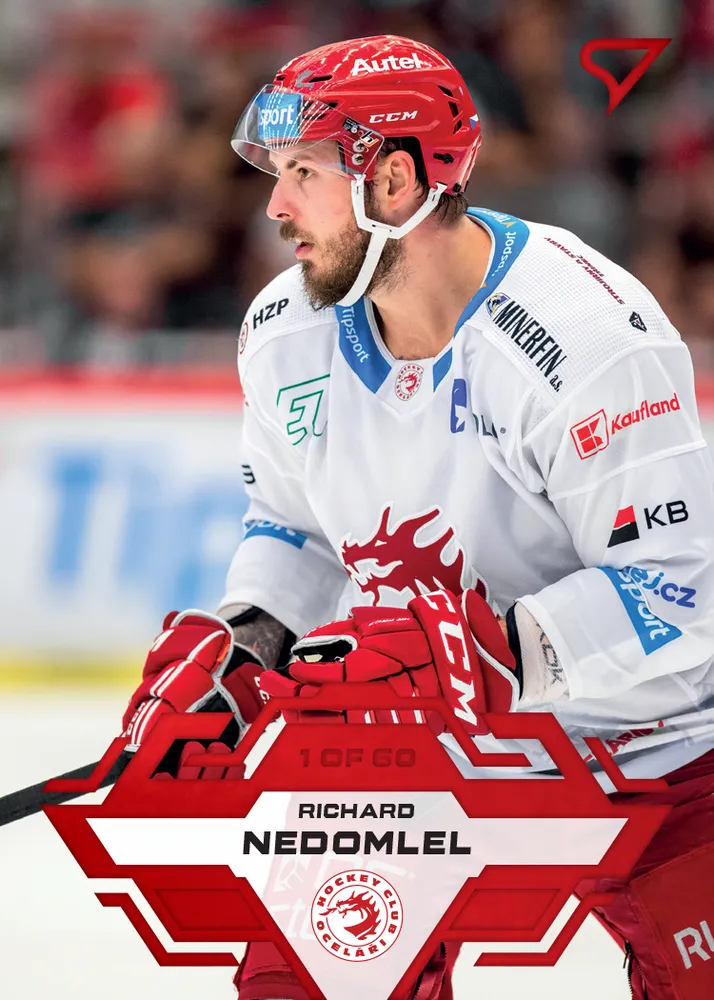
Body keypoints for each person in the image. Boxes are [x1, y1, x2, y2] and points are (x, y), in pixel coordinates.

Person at [121, 35, 714, 1000]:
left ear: (393, 183)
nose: (273, 206)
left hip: (658, 746)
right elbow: (294, 527)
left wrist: (485, 651)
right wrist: (246, 647)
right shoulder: (283, 333)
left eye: (304, 173)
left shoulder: (588, 341)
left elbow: (679, 593)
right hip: (424, 746)